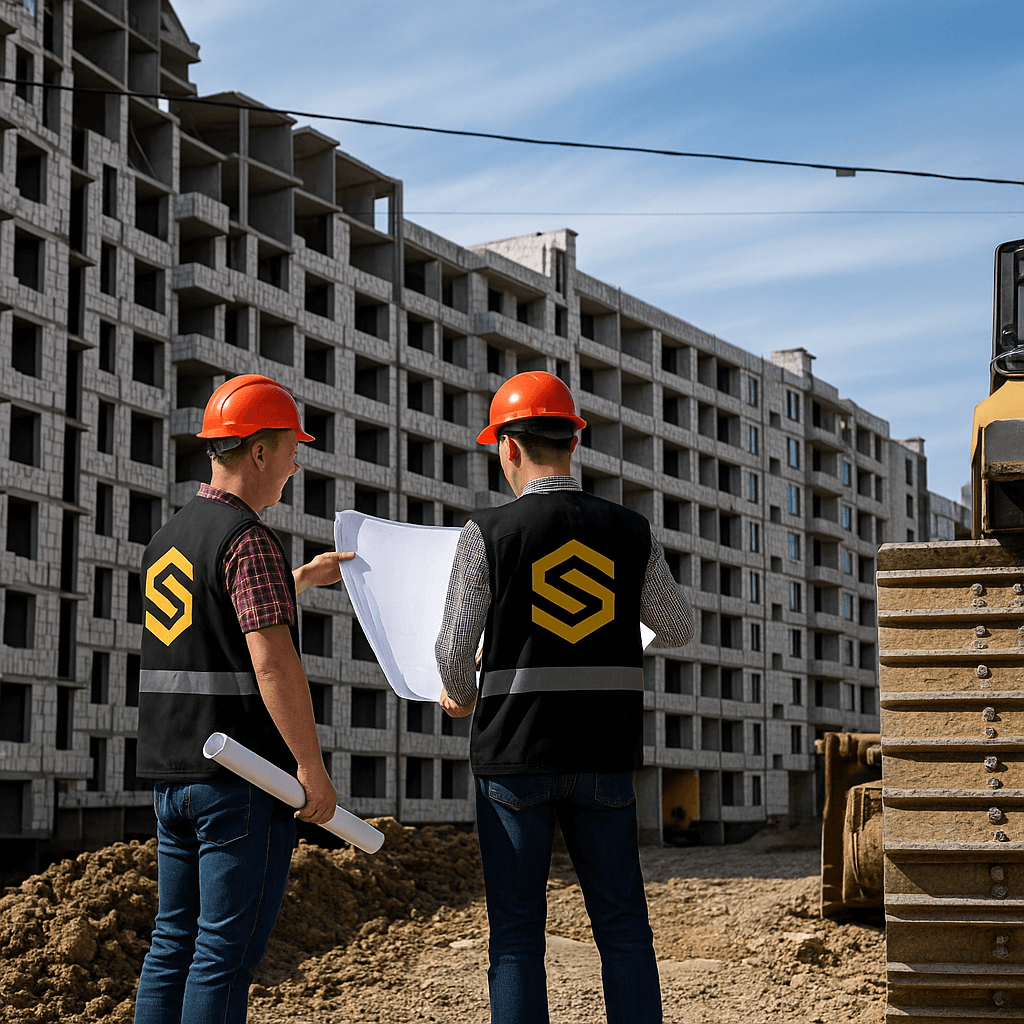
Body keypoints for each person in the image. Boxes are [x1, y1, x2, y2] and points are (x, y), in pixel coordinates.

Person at [435, 370, 694, 1024]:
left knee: (516, 935)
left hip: (514, 759)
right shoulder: (629, 531)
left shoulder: (488, 532)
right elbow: (678, 627)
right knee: (623, 926)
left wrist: (459, 694)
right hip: (604, 756)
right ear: (573, 443)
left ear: (508, 448)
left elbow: (453, 646)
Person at [133, 374, 352, 1024]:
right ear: (259, 451)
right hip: (241, 781)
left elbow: (214, 620)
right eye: (290, 450)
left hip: (173, 776)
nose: (295, 465)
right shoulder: (248, 540)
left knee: (172, 943)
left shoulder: (168, 538)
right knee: (222, 957)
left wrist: (298, 579)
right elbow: (272, 662)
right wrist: (309, 768)